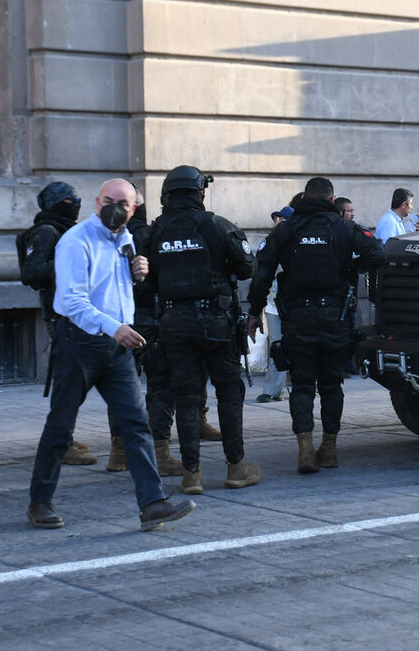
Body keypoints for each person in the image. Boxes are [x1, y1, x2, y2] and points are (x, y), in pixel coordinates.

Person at [27, 178, 195, 531]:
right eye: (109, 200)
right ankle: (40, 502)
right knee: (61, 425)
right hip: (81, 344)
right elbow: (70, 301)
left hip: (117, 346)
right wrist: (113, 327)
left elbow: (115, 289)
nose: (115, 207)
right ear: (97, 201)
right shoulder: (76, 240)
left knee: (136, 424)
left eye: (124, 202)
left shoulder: (127, 240)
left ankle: (153, 504)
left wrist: (138, 275)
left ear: (135, 208)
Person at [248, 176, 385, 473]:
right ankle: (330, 449)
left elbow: (262, 273)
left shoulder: (286, 229)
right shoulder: (345, 227)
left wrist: (255, 311)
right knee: (332, 384)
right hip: (335, 319)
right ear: (332, 200)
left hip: (298, 319)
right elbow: (378, 253)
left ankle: (305, 451)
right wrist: (350, 268)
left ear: (305, 198)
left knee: (302, 385)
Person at [147, 165, 259, 495]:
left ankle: (191, 474)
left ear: (167, 195)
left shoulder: (155, 232)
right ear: (200, 193)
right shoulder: (217, 225)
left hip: (174, 323)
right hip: (217, 322)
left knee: (187, 396)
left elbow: (145, 282)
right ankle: (237, 467)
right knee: (228, 392)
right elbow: (247, 267)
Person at [18, 181, 98, 466]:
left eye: (77, 198)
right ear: (55, 203)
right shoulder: (46, 232)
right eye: (69, 200)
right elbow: (31, 273)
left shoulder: (65, 231)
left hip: (77, 313)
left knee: (73, 382)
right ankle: (59, 442)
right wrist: (71, 263)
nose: (75, 204)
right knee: (70, 382)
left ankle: (62, 436)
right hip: (61, 315)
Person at [104, 190, 183, 476]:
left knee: (121, 386)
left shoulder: (108, 239)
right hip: (150, 319)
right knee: (161, 384)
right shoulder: (154, 235)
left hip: (119, 322)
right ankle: (159, 452)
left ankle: (119, 452)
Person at [256, 205, 293, 403]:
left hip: (292, 303)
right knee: (277, 347)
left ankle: (305, 386)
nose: (278, 222)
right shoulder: (269, 242)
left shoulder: (296, 242)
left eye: (282, 219)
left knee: (300, 346)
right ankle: (273, 390)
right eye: (277, 219)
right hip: (273, 303)